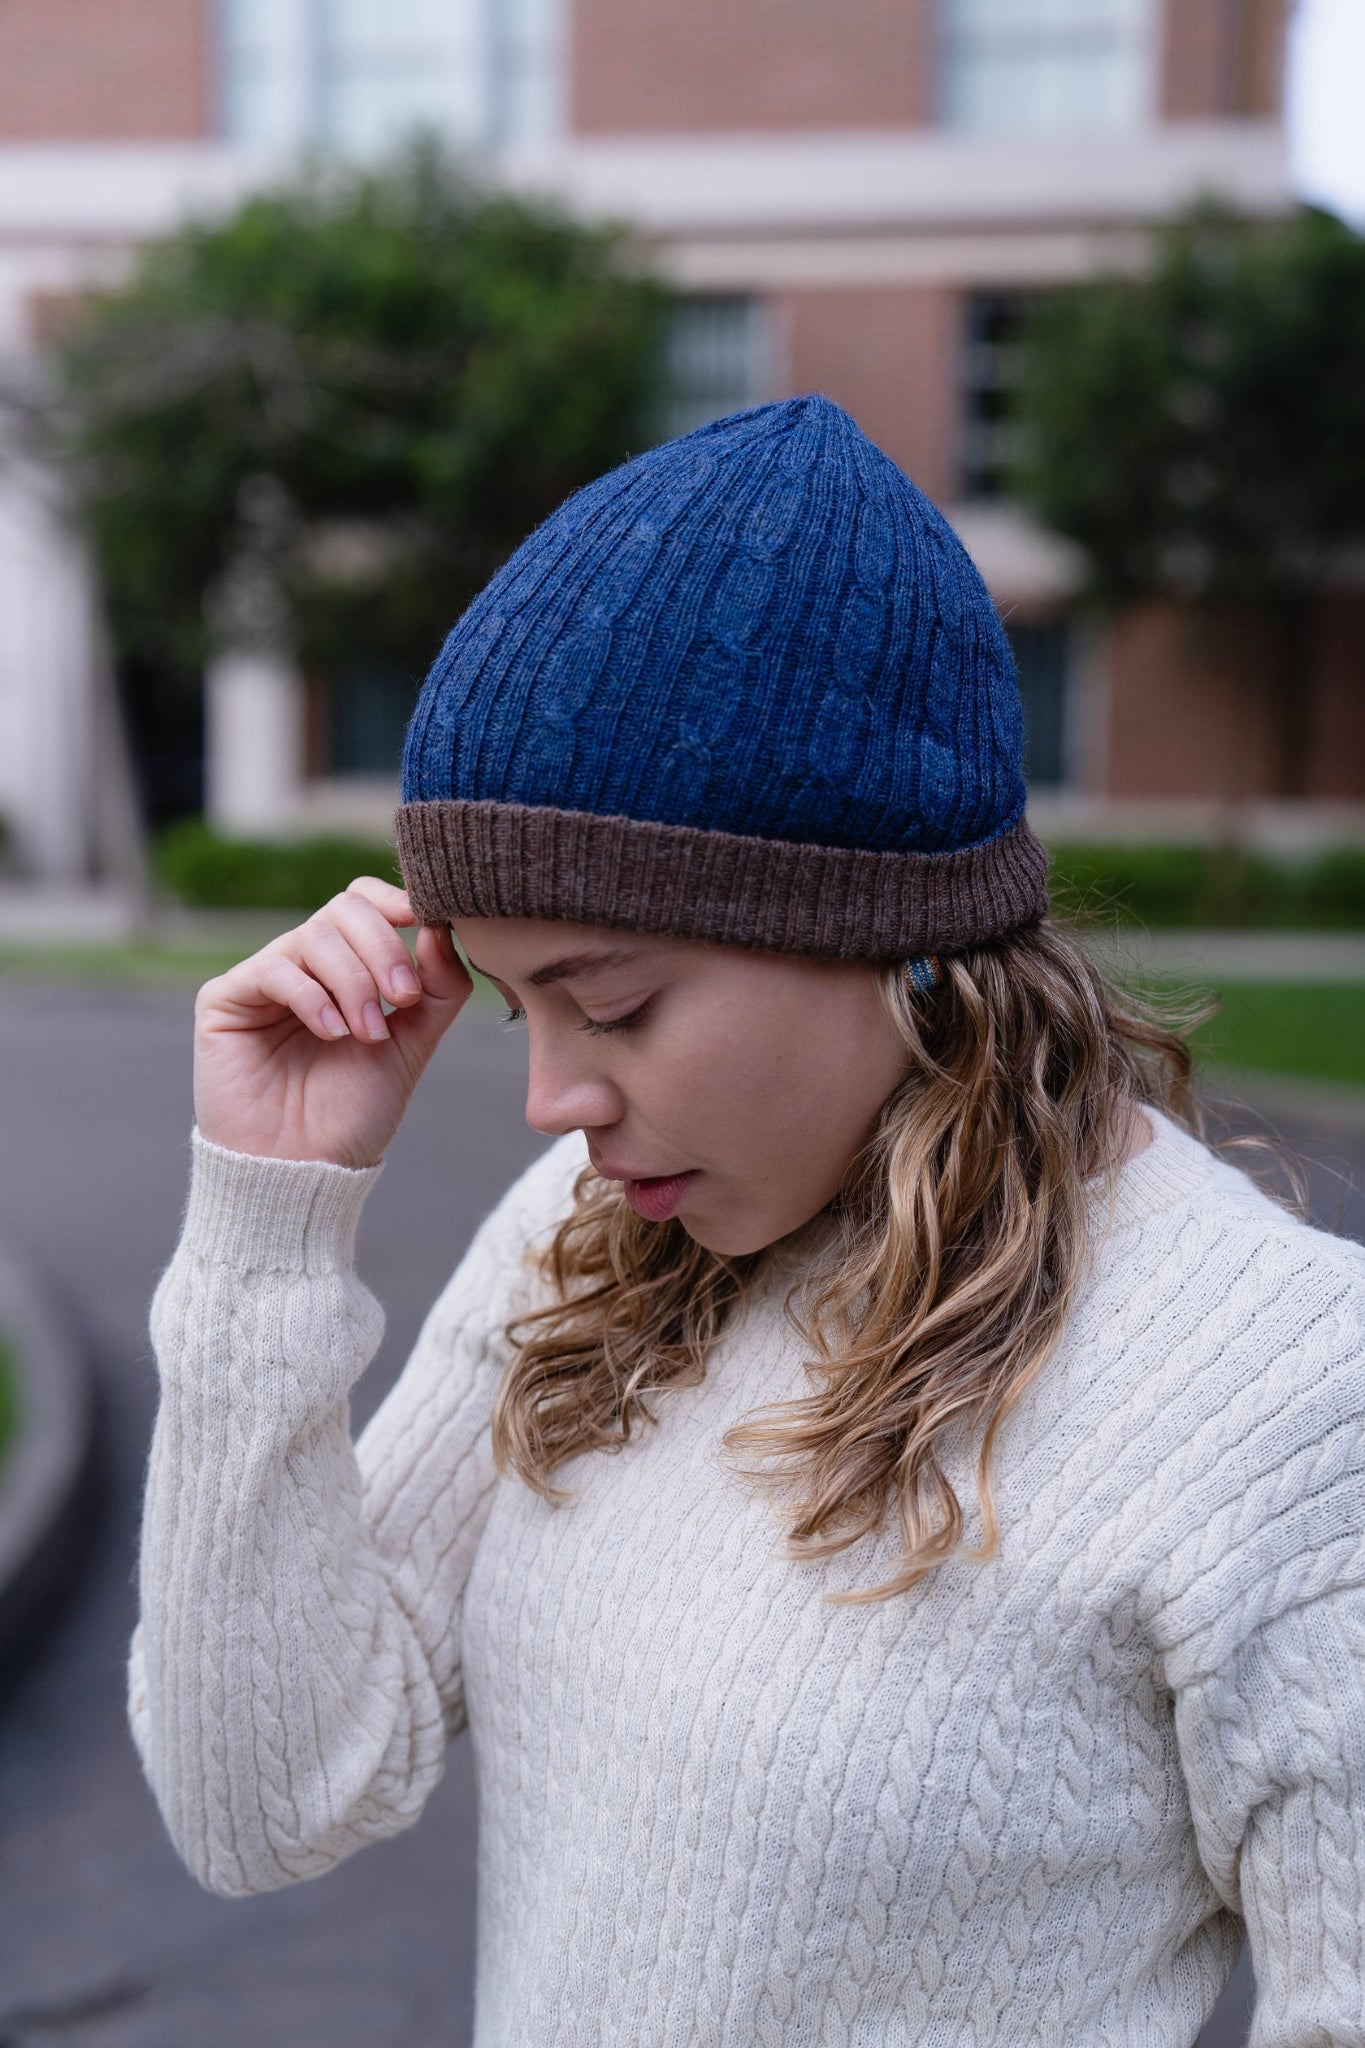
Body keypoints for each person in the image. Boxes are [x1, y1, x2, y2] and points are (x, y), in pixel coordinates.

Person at [130, 396, 1365, 2044]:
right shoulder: (580, 1239)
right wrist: (267, 1222)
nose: (551, 1101)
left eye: (616, 1005)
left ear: (897, 935)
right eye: (513, 1007)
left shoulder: (1280, 1392)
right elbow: (261, 1807)